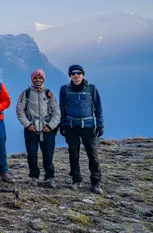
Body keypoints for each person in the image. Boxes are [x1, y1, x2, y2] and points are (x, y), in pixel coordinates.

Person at [59, 64, 104, 194]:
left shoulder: (91, 89)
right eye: (73, 73)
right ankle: (76, 179)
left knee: (92, 154)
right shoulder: (65, 89)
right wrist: (62, 125)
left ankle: (96, 183)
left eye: (79, 73)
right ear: (70, 75)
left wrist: (100, 124)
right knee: (73, 154)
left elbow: (98, 107)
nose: (76, 75)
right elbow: (62, 108)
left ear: (83, 74)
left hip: (88, 126)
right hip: (71, 126)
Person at [16, 69, 61, 188]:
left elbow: (57, 111)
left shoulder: (49, 94)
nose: (38, 80)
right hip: (31, 128)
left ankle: (50, 177)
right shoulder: (26, 93)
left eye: (40, 78)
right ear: (32, 79)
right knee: (32, 154)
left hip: (47, 128)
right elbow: (20, 111)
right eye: (35, 78)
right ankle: (33, 176)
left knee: (48, 154)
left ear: (43, 79)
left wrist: (51, 126)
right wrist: (28, 125)